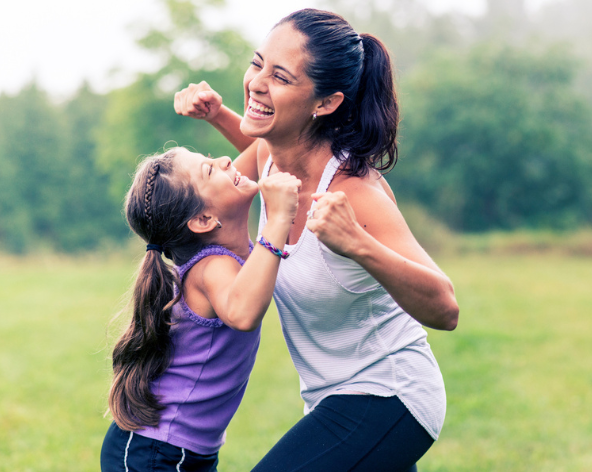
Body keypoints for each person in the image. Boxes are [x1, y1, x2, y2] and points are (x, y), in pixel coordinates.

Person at [173, 8, 460, 472]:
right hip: (331, 398)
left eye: (281, 76)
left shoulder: (354, 193)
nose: (257, 82)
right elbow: (233, 178)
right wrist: (218, 114)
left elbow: (445, 308)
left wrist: (358, 245)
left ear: (324, 103)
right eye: (257, 63)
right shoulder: (268, 160)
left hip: (389, 394)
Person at [100, 146, 301, 471]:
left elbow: (265, 146)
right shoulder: (212, 267)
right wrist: (278, 220)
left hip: (176, 449)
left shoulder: (224, 252)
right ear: (204, 220)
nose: (225, 161)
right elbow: (243, 313)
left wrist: (218, 113)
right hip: (157, 452)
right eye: (209, 169)